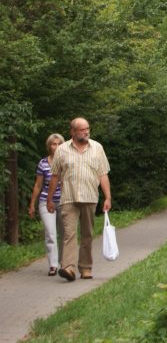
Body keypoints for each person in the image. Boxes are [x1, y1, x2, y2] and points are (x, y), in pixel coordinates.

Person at [47, 117, 112, 282]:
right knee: (69, 233)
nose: (86, 132)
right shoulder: (62, 150)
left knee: (87, 234)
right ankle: (68, 268)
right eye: (82, 130)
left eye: (87, 129)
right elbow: (55, 175)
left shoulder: (97, 148)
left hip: (90, 197)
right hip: (68, 197)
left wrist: (108, 197)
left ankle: (85, 268)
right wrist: (49, 199)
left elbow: (103, 174)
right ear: (73, 132)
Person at [28, 133, 65, 276]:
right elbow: (38, 185)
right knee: (50, 233)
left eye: (58, 144)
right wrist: (32, 204)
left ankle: (64, 262)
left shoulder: (67, 161)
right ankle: (53, 265)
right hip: (45, 201)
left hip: (63, 201)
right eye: (53, 144)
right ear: (49, 146)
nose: (56, 147)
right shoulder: (43, 163)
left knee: (64, 233)